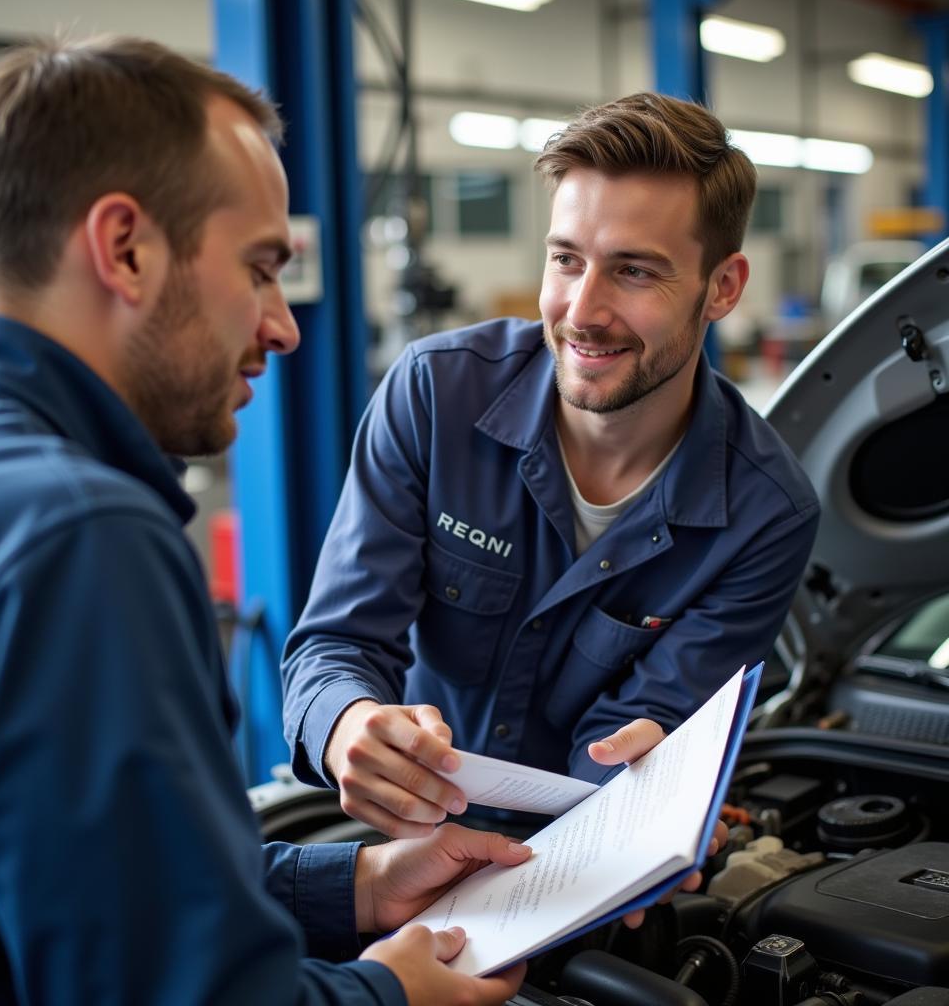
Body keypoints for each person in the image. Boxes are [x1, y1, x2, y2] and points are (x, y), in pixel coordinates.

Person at [0, 34, 548, 1006]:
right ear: (125, 248)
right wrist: (387, 996)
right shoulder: (78, 537)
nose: (284, 322)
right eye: (260, 267)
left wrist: (358, 882)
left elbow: (96, 883)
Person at [282, 93, 821, 839]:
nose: (583, 311)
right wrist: (349, 725)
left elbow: (638, 732)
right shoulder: (436, 395)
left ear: (723, 288)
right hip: (407, 829)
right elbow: (335, 642)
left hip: (581, 854)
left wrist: (649, 787)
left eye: (634, 272)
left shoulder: (764, 515)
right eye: (566, 259)